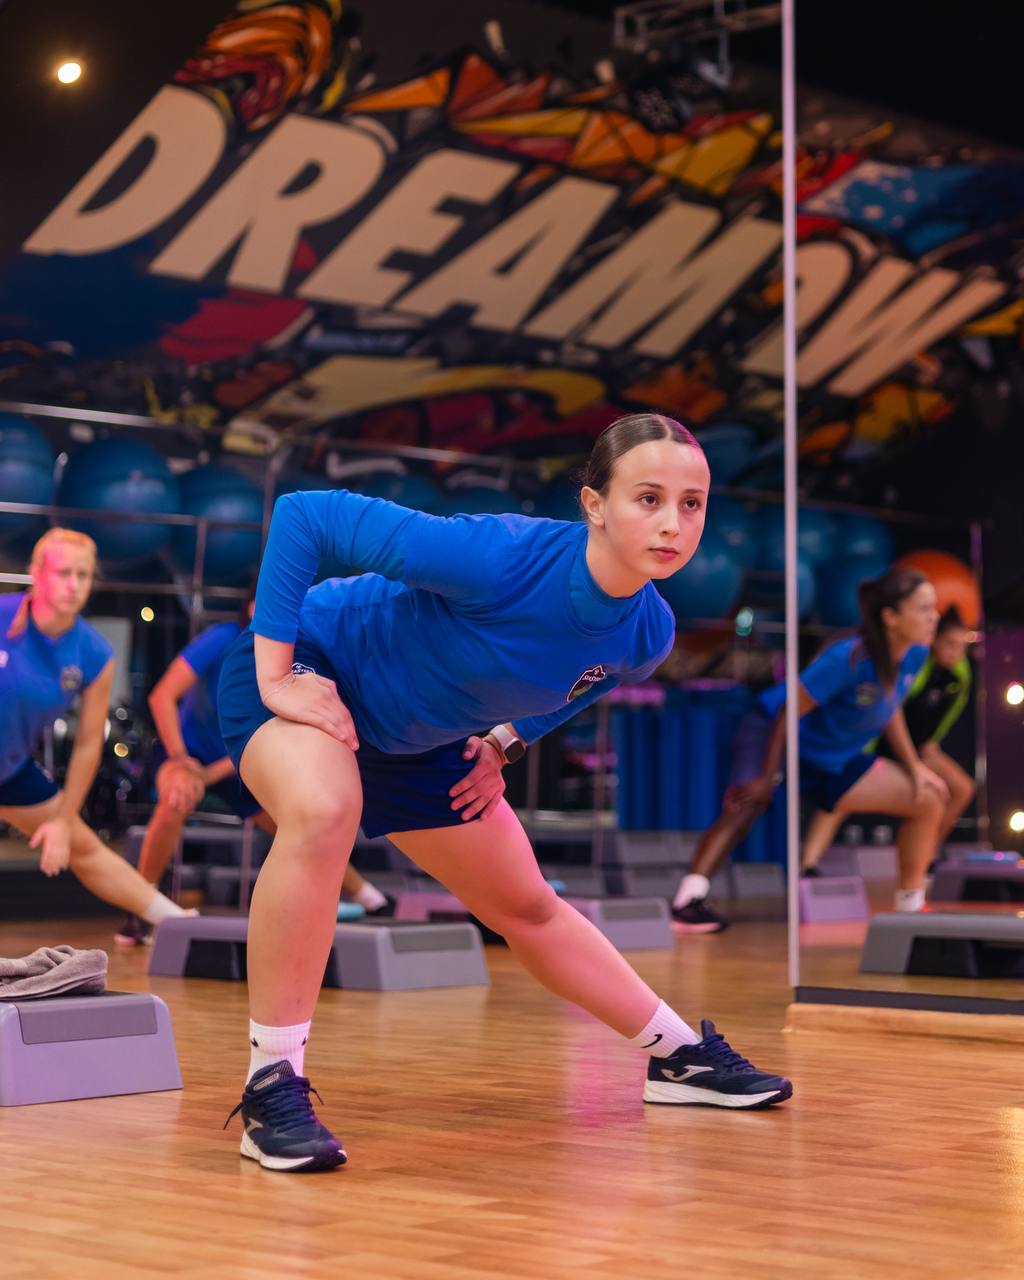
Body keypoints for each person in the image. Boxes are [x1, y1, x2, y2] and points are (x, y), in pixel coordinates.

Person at [218, 413, 792, 1173]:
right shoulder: (499, 557)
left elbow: (584, 680)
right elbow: (306, 516)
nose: (672, 524)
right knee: (326, 810)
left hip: (421, 740)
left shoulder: (647, 631)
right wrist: (275, 674)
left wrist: (503, 740)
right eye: (648, 498)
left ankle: (680, 1057)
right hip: (319, 670)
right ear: (594, 504)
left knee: (527, 905)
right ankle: (271, 1087)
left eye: (692, 504)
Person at [672, 565, 949, 933]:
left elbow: (889, 706)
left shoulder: (914, 655)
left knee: (928, 798)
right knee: (747, 804)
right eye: (924, 609)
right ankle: (688, 902)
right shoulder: (847, 658)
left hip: (830, 760)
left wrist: (914, 767)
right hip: (772, 732)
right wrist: (767, 777)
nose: (934, 617)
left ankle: (909, 914)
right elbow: (787, 712)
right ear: (891, 617)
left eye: (934, 608)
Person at [115, 592, 394, 945]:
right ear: (253, 607)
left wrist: (211, 773)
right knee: (176, 798)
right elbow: (162, 696)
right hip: (189, 752)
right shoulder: (223, 638)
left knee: (301, 822)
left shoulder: (293, 655)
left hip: (237, 759)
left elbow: (264, 731)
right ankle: (141, 909)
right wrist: (182, 761)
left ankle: (366, 895)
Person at [0, 528, 192, 930]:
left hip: (9, 770)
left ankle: (176, 923)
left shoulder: (93, 652)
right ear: (37, 573)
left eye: (83, 575)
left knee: (82, 845)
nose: (74, 585)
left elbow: (89, 743)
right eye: (63, 573)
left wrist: (62, 820)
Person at [801, 605, 975, 874]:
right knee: (840, 794)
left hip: (919, 748)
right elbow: (890, 709)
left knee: (956, 789)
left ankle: (926, 857)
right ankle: (808, 863)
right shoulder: (913, 661)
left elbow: (950, 713)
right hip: (879, 743)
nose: (956, 652)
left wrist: (930, 743)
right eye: (950, 644)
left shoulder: (960, 674)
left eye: (962, 646)